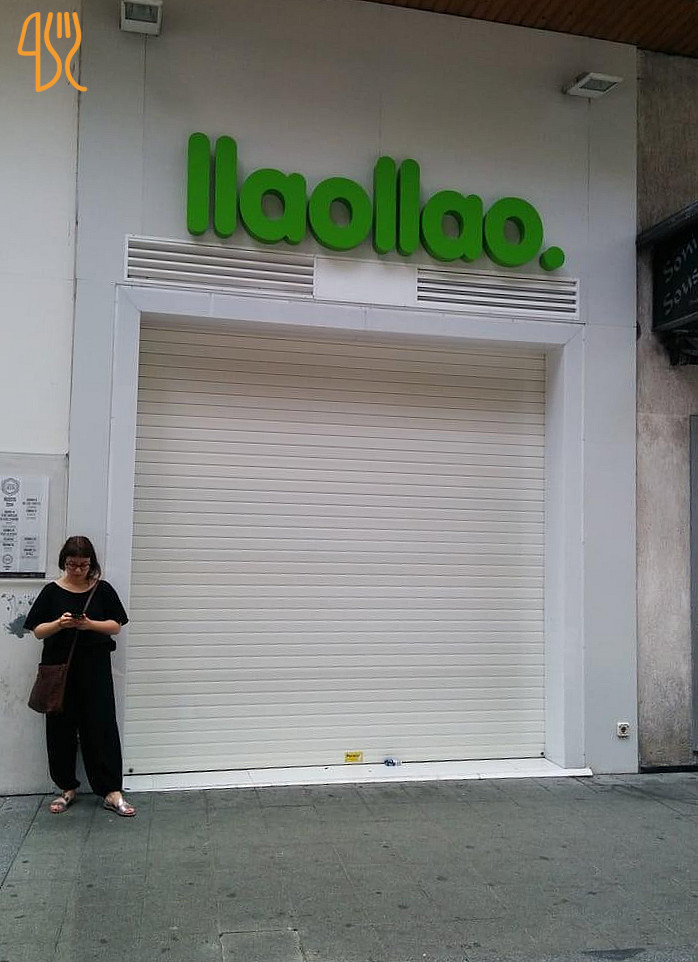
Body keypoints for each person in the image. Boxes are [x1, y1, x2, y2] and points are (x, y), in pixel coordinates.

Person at [23, 535, 136, 817]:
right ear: (64, 562)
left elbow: (116, 625)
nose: (77, 570)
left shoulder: (102, 589)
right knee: (60, 729)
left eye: (83, 565)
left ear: (91, 563)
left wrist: (89, 624)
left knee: (101, 726)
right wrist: (59, 624)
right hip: (59, 670)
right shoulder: (51, 591)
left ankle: (111, 791)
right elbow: (37, 630)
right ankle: (66, 788)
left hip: (95, 669)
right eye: (72, 564)